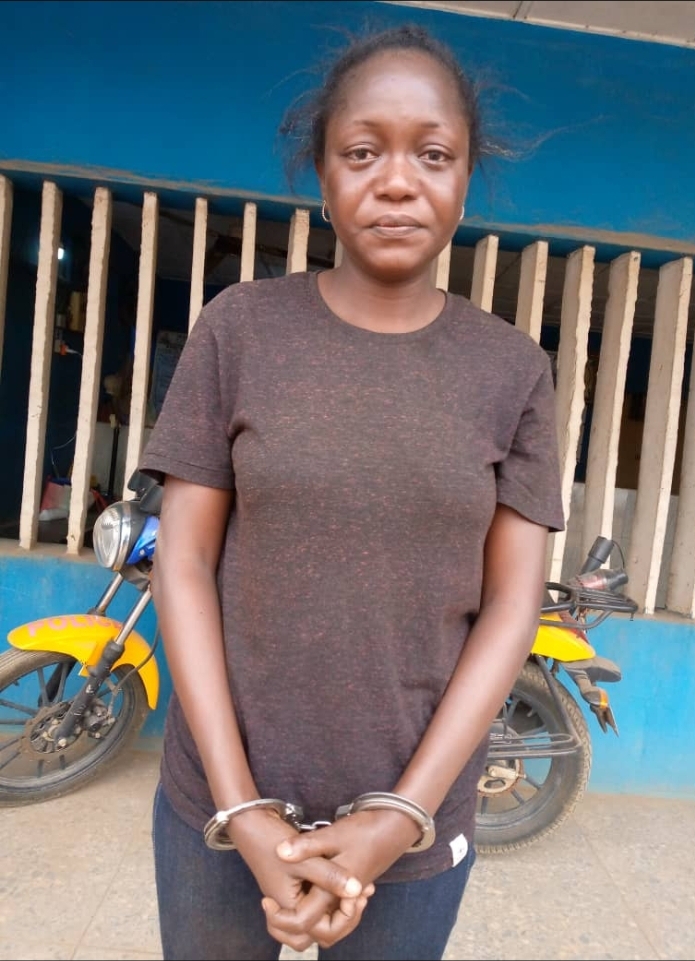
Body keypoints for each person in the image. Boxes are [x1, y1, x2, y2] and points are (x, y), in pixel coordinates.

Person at [140, 21, 565, 961]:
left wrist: (400, 814)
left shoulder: (513, 371)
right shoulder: (240, 331)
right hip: (218, 809)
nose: (398, 181)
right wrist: (242, 809)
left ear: (465, 179)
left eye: (433, 154)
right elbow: (185, 560)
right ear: (324, 177)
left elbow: (512, 602)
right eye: (363, 152)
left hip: (413, 828)